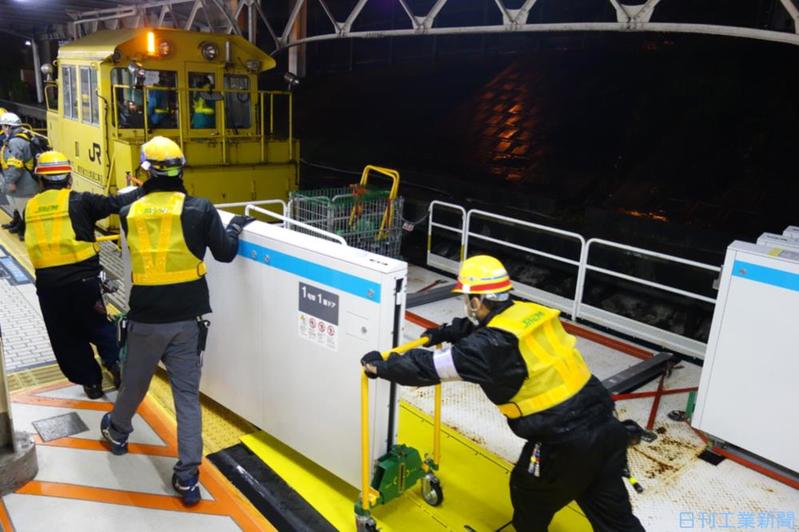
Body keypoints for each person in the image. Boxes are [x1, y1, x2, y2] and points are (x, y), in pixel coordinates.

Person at [361, 255, 644, 532]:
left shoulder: (487, 348)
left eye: (467, 299)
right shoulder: (526, 312)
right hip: (607, 426)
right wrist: (444, 332)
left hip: (565, 442)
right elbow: (484, 329)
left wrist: (380, 366)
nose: (467, 305)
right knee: (615, 517)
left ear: (476, 301)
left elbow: (428, 368)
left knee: (528, 494)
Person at [101, 136, 255, 506]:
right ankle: (187, 478)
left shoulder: (129, 212)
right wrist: (235, 228)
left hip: (145, 319)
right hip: (187, 320)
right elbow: (225, 253)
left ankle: (117, 432)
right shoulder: (201, 209)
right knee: (186, 397)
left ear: (145, 171)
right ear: (180, 168)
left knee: (134, 384)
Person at [24, 151, 141, 398]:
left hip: (49, 286)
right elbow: (115, 203)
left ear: (40, 180)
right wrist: (148, 188)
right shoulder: (80, 201)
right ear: (68, 178)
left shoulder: (30, 207)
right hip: (84, 282)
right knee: (99, 325)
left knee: (65, 335)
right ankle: (116, 365)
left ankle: (91, 384)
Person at [1, 112, 39, 241]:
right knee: (21, 209)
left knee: (25, 211)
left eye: (3, 126)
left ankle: (27, 233)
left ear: (9, 126)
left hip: (23, 184)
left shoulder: (15, 142)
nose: (2, 129)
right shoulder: (24, 135)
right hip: (26, 181)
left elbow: (16, 165)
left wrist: (10, 181)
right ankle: (20, 226)